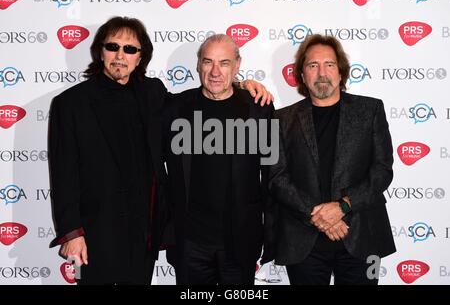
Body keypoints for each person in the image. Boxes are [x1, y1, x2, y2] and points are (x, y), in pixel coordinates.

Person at [48, 17, 272, 285]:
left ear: (141, 56)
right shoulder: (70, 104)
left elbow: (215, 94)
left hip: (144, 233)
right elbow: (63, 175)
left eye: (130, 49)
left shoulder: (152, 93)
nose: (121, 56)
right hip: (97, 233)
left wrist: (244, 84)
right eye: (113, 47)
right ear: (100, 50)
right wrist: (72, 233)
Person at [262, 34, 396, 285]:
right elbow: (276, 177)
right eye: (313, 66)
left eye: (329, 65)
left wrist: (343, 206)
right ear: (302, 75)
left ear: (341, 72)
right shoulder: (279, 120)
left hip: (361, 235)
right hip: (302, 240)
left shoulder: (371, 111)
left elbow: (382, 171)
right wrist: (319, 216)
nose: (321, 73)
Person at [164, 34, 274, 285]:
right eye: (208, 62)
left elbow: (271, 176)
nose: (215, 71)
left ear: (237, 65)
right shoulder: (175, 108)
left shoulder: (258, 109)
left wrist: (270, 235)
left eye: (224, 63)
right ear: (198, 65)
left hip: (240, 241)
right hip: (189, 242)